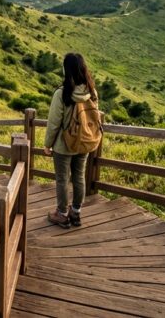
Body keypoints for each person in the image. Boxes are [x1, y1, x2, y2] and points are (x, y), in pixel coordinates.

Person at [43, 52, 99, 229]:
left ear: (66, 70)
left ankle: (62, 214)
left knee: (62, 179)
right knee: (79, 176)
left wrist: (47, 144)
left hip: (64, 143)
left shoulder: (62, 93)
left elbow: (54, 122)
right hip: (84, 141)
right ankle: (76, 212)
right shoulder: (91, 91)